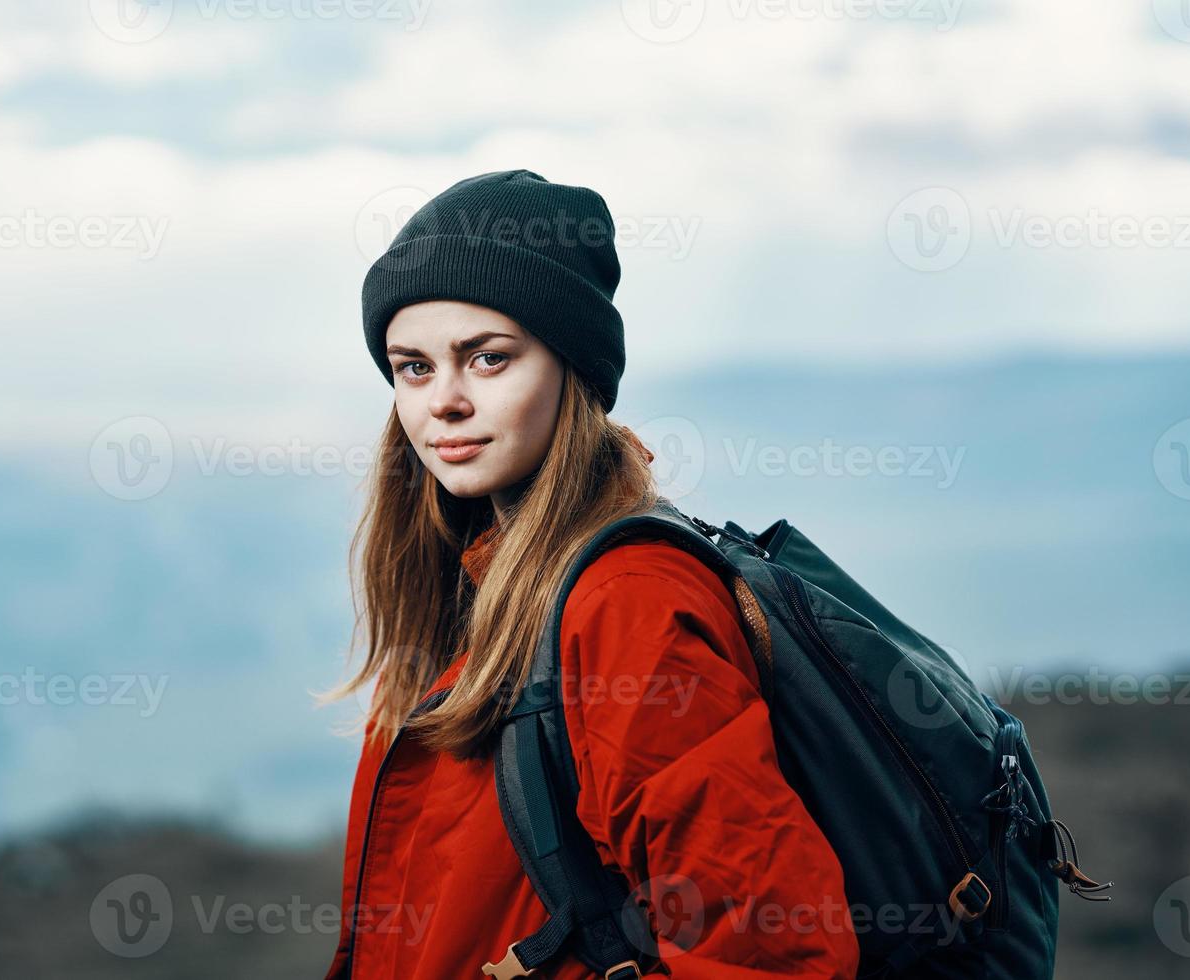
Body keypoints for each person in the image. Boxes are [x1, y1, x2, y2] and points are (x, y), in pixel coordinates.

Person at [318, 170, 859, 978]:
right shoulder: (473, 594)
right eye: (414, 368)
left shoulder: (626, 605)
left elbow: (769, 952)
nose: (445, 402)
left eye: (489, 358)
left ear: (574, 370)